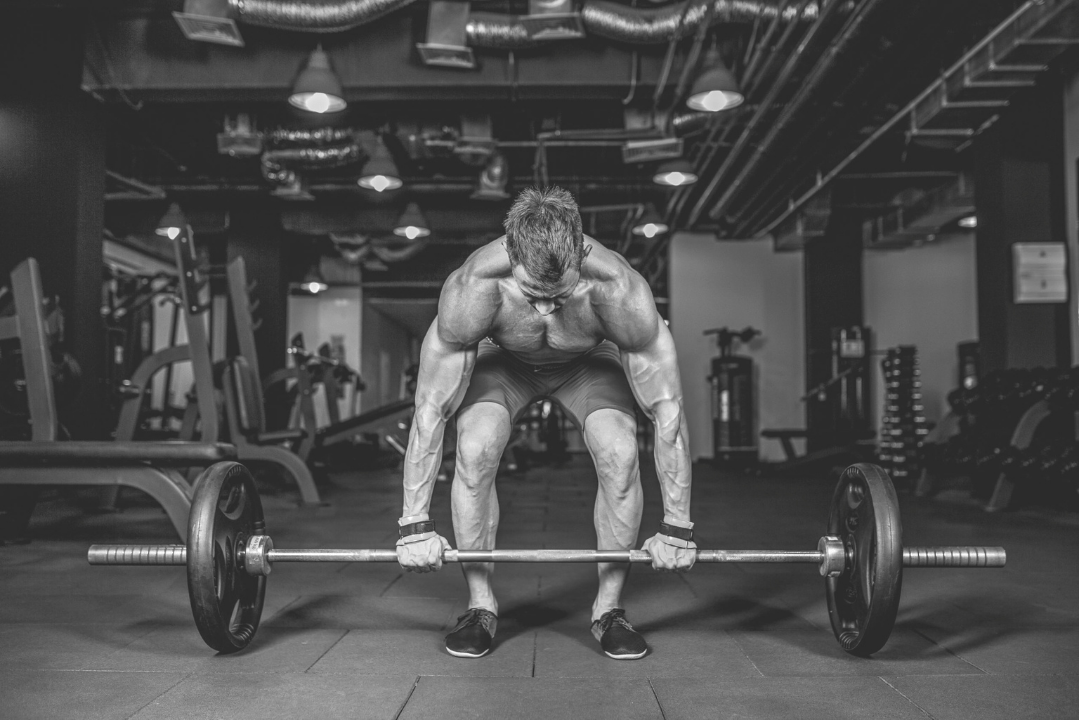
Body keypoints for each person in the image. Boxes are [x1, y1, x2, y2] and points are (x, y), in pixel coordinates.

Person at [396, 186, 696, 660]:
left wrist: (677, 526)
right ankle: (479, 607)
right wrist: (414, 524)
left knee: (619, 454)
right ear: (511, 253)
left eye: (559, 294)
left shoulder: (620, 291)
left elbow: (669, 413)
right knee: (475, 449)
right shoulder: (472, 288)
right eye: (533, 293)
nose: (544, 308)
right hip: (502, 359)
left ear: (580, 252)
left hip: (590, 360)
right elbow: (431, 412)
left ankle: (608, 611)